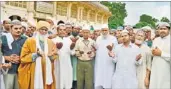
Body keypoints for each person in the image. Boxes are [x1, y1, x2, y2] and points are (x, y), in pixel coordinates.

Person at [18, 21, 57, 89]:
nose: (44, 31)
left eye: (46, 30)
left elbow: (55, 55)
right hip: (34, 70)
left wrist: (51, 56)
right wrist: (36, 55)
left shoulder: (50, 42)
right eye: (42, 29)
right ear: (38, 30)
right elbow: (23, 57)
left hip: (47, 70)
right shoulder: (30, 41)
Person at [1, 20, 27, 89]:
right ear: (10, 28)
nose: (18, 30)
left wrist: (21, 59)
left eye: (20, 28)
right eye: (16, 28)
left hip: (20, 72)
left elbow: (29, 54)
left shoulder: (25, 39)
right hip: (7, 71)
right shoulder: (3, 38)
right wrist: (7, 58)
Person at [94, 24, 118, 89]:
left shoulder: (113, 39)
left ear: (108, 30)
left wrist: (112, 53)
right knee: (99, 78)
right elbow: (96, 49)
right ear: (101, 31)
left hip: (109, 62)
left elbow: (116, 51)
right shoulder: (98, 38)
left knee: (108, 79)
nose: (104, 32)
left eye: (105, 30)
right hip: (99, 62)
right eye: (103, 30)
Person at [52, 24, 74, 89]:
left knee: (67, 81)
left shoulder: (68, 40)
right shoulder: (53, 40)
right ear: (57, 31)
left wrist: (71, 48)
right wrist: (57, 49)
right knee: (58, 80)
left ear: (66, 31)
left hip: (67, 63)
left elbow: (72, 53)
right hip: (57, 63)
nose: (62, 31)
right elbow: (51, 53)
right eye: (60, 30)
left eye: (64, 30)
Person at [149, 22, 170, 89]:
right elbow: (152, 53)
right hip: (155, 71)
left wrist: (161, 54)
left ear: (169, 30)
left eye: (164, 29)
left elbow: (159, 53)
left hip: (166, 72)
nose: (162, 30)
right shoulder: (155, 40)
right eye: (160, 29)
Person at [70, 25, 81, 89]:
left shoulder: (81, 39)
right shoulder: (67, 38)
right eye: (75, 28)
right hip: (69, 59)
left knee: (76, 76)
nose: (76, 30)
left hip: (78, 60)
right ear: (72, 29)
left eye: (77, 29)